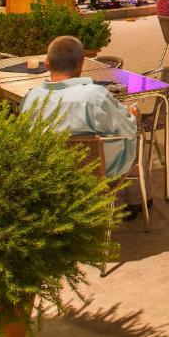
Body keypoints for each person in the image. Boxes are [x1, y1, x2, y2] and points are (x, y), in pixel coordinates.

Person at [19, 36, 148, 217]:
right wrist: (133, 116)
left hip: (48, 170)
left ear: (47, 64)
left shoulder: (31, 99)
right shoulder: (95, 97)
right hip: (98, 169)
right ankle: (137, 202)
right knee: (137, 132)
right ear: (82, 63)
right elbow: (127, 130)